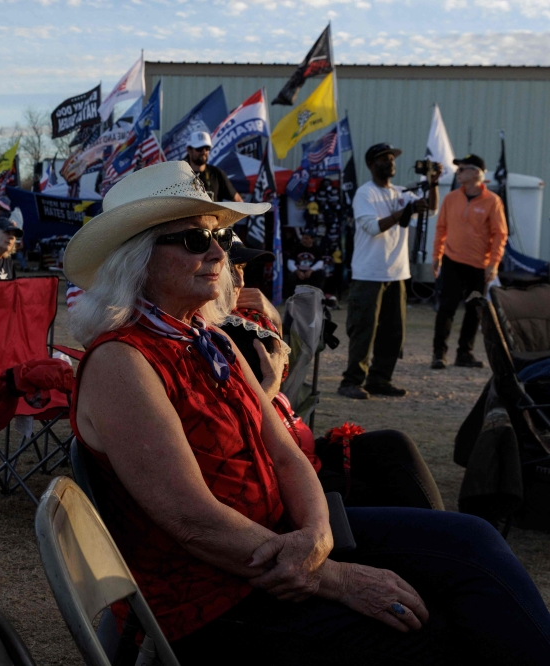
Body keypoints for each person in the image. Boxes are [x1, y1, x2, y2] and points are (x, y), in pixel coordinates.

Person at [64, 161, 550, 665]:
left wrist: (319, 539)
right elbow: (192, 522)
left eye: (220, 238)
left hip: (281, 544)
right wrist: (334, 576)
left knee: (472, 541)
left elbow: (287, 454)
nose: (217, 252)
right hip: (212, 598)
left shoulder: (210, 341)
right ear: (138, 258)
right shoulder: (121, 361)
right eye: (192, 240)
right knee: (435, 629)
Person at [223, 237, 443, 510]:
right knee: (384, 495)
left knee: (395, 445)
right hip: (284, 472)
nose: (240, 282)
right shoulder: (219, 337)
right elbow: (231, 427)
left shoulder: (244, 319)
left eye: (243, 268)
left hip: (302, 450)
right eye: (229, 269)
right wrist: (271, 383)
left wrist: (274, 317)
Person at [339, 143, 440, 400]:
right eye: (384, 159)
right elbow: (373, 228)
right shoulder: (365, 194)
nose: (391, 162)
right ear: (371, 165)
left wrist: (433, 183)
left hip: (397, 274)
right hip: (368, 274)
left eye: (392, 158)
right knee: (364, 330)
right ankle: (351, 381)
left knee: (394, 332)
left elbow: (431, 207)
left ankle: (379, 379)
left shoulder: (400, 192)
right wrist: (403, 212)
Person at [431, 153, 508, 370]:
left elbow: (499, 235)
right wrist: (436, 256)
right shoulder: (451, 198)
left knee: (474, 309)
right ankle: (439, 354)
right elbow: (441, 229)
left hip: (478, 266)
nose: (458, 172)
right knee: (446, 307)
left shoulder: (493, 201)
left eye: (462, 169)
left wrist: (493, 264)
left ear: (476, 173)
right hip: (452, 261)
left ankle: (464, 353)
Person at [184, 131, 243, 203]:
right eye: (199, 148)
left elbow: (238, 200)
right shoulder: (180, 174)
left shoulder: (217, 174)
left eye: (207, 148)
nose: (204, 152)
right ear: (189, 150)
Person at [285, 228, 326, 295]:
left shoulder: (317, 249)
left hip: (310, 273)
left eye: (307, 238)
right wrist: (297, 272)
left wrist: (310, 270)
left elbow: (320, 263)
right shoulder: (296, 247)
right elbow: (290, 262)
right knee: (290, 275)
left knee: (321, 273)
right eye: (303, 238)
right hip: (298, 272)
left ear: (312, 239)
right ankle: (293, 295)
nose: (304, 240)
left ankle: (316, 295)